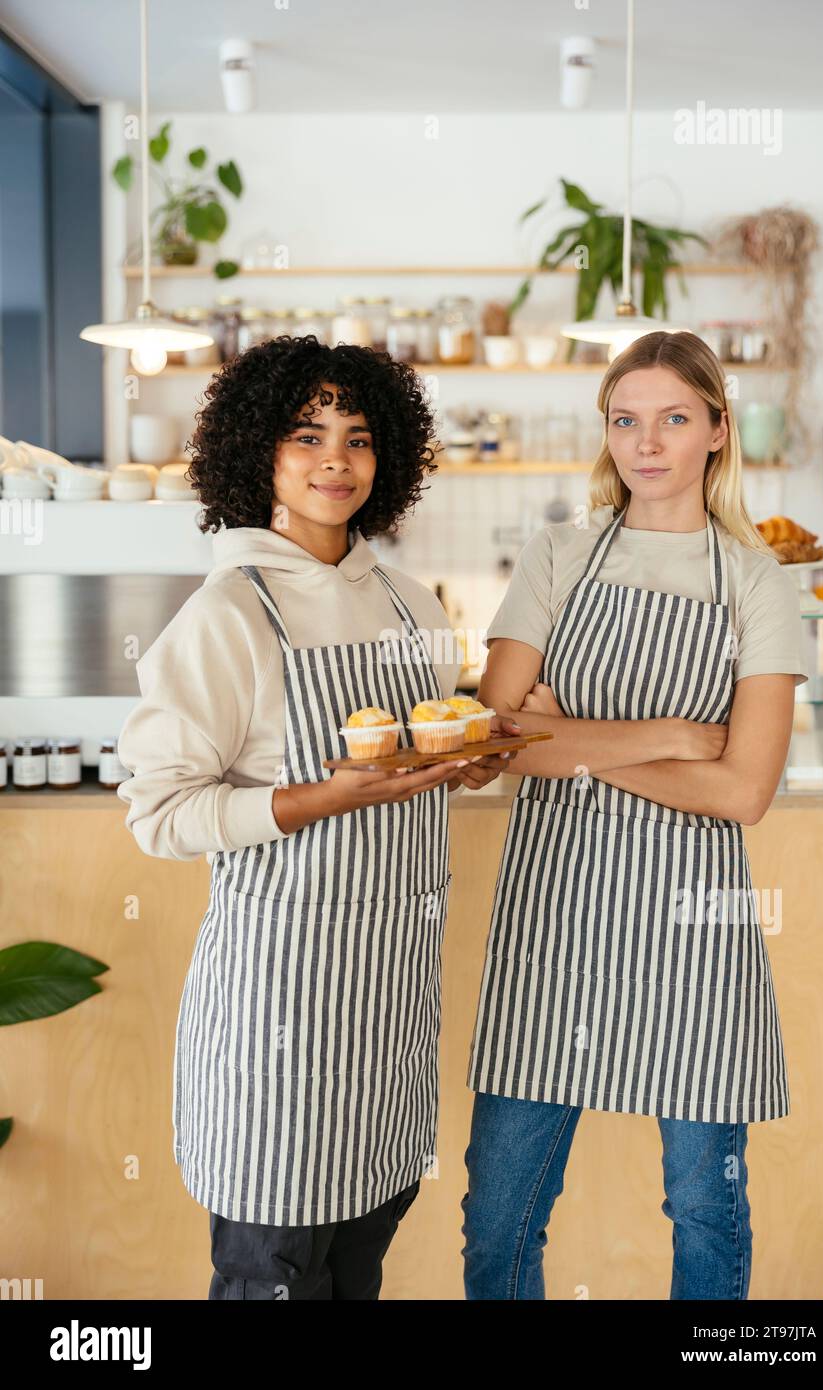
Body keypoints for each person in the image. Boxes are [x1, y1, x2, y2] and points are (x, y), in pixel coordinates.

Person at [117, 335, 517, 1299]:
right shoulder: (227, 613)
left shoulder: (409, 601)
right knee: (272, 1279)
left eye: (359, 436)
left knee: (357, 1268)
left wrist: (459, 768)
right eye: (306, 435)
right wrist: (320, 798)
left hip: (384, 1005)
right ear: (258, 452)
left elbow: (416, 756)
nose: (336, 459)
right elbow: (160, 814)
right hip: (279, 1014)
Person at [461, 329, 807, 1300]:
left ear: (713, 432)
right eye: (624, 420)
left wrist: (567, 742)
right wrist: (667, 735)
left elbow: (741, 790)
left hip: (695, 935)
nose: (645, 443)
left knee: (703, 1208)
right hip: (554, 923)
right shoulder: (557, 554)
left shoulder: (755, 584)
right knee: (498, 1217)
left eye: (671, 419)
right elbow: (495, 740)